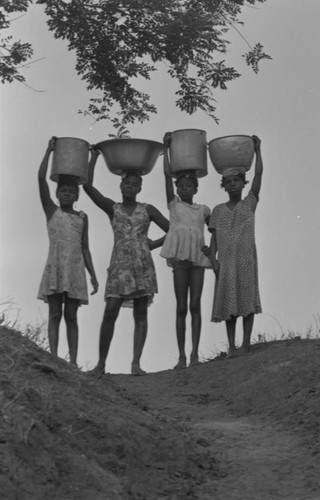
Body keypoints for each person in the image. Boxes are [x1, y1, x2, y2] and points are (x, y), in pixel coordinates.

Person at [84, 147, 169, 377]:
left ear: (140, 187)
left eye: (134, 184)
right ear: (120, 186)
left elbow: (173, 230)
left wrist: (153, 244)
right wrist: (94, 158)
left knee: (140, 313)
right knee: (110, 311)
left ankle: (136, 364)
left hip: (142, 265)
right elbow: (88, 187)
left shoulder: (147, 209)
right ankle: (101, 364)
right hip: (120, 265)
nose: (130, 187)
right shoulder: (113, 208)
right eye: (126, 184)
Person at [38, 137, 99, 365]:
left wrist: (92, 274)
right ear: (57, 194)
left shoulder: (82, 217)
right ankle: (54, 357)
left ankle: (73, 361)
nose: (66, 193)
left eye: (70, 191)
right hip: (55, 267)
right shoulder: (51, 212)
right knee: (55, 313)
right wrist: (49, 151)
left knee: (71, 316)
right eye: (62, 190)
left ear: (76, 195)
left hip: (74, 270)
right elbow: (40, 179)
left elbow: (85, 247)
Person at [207, 135, 263, 356]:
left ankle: (246, 344)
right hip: (226, 262)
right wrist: (213, 259)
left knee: (247, 299)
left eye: (236, 181)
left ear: (243, 183)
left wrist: (258, 150)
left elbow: (259, 175)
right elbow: (213, 238)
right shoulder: (218, 210)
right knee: (229, 303)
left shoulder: (249, 204)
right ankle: (231, 346)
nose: (232, 185)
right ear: (224, 186)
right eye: (228, 182)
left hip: (246, 259)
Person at [160, 133, 212, 369]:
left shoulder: (203, 209)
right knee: (181, 306)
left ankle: (194, 354)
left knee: (195, 305)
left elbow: (216, 229)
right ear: (177, 188)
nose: (184, 188)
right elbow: (165, 174)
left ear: (195, 187)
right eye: (180, 185)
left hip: (199, 259)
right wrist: (166, 149)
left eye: (188, 185)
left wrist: (213, 249)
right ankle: (181, 355)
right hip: (181, 259)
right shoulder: (174, 205)